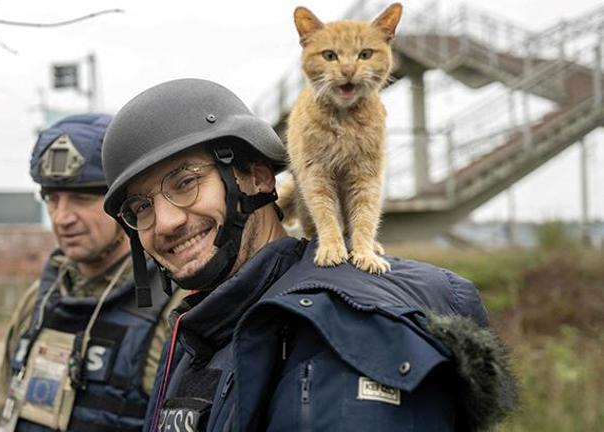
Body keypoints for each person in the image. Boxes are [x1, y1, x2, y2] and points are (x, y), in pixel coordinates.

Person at [100, 79, 517, 431]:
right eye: (141, 207)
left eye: (186, 181)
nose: (166, 221)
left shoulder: (340, 334)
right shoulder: (204, 330)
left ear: (257, 177)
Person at [0, 114, 184, 432]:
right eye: (52, 198)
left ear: (126, 203)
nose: (62, 217)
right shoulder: (38, 301)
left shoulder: (176, 308)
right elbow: (1, 410)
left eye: (81, 199)